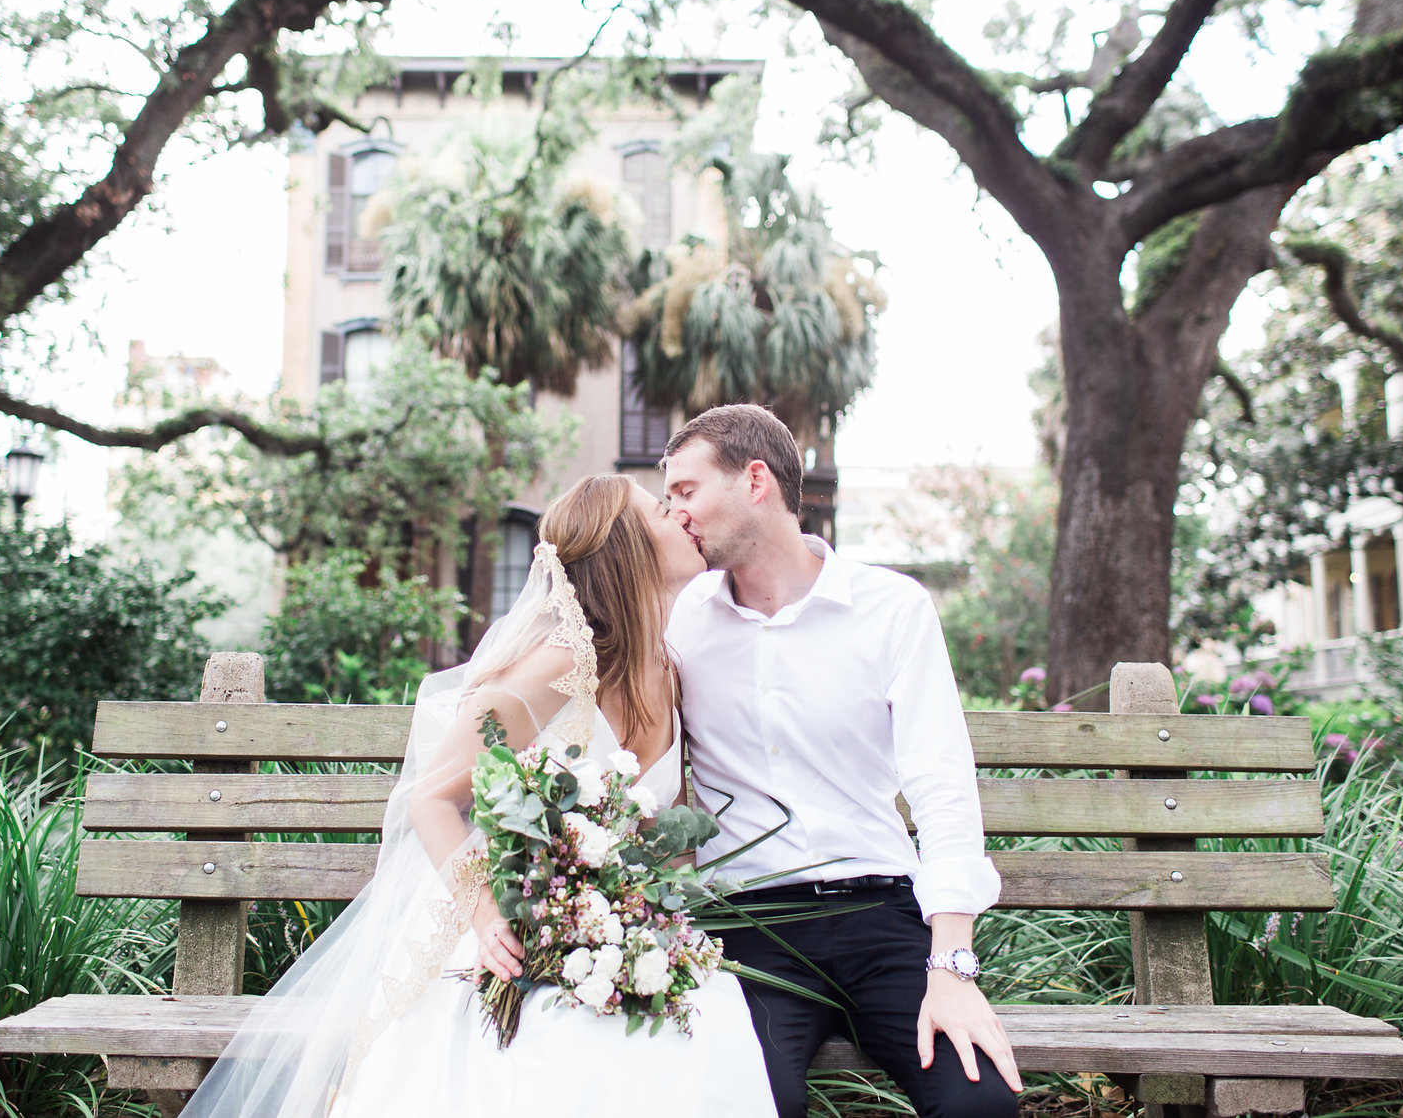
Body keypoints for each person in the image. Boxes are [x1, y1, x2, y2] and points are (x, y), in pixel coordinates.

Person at [180, 474, 775, 1118]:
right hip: (511, 923)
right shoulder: (561, 666)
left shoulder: (670, 668)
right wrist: (489, 915)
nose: (683, 517)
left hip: (617, 930)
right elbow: (432, 798)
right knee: (565, 1052)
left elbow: (667, 832)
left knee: (708, 1024)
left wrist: (662, 925)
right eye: (663, 510)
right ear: (627, 547)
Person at [663, 404, 1022, 1118]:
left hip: (882, 916)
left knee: (978, 1106)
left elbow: (941, 784)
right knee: (743, 1103)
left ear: (755, 479)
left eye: (685, 491)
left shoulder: (891, 607)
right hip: (749, 931)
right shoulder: (679, 616)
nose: (673, 514)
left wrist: (950, 965)